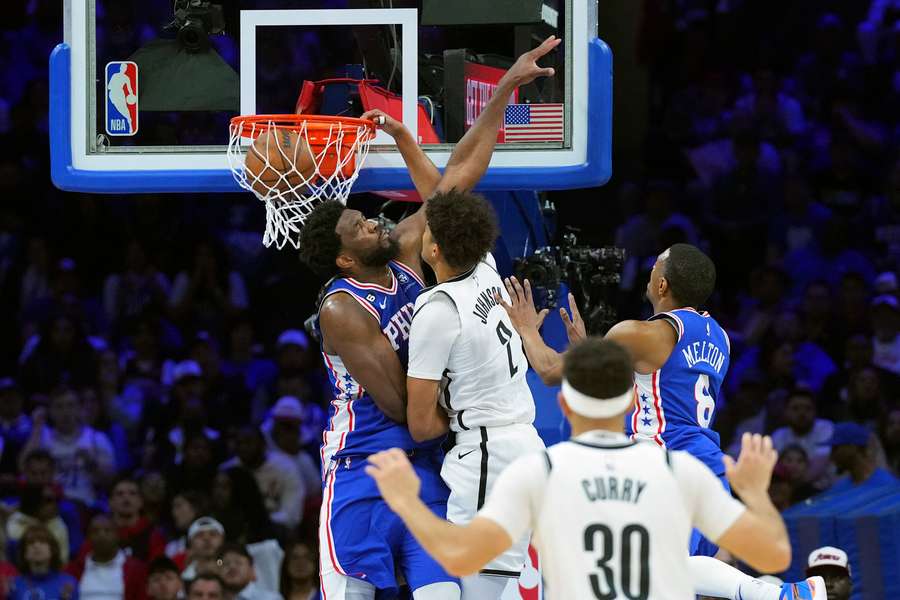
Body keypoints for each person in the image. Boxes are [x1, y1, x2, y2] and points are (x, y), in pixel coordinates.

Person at [296, 35, 560, 600]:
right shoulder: (341, 308)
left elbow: (460, 170)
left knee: (445, 591)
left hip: (427, 460)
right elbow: (400, 404)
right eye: (360, 226)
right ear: (345, 257)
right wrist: (473, 409)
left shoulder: (408, 248)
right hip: (363, 466)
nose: (374, 221)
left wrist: (507, 87)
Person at [365, 338, 812, 600]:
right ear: (634, 402)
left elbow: (460, 555)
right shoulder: (679, 472)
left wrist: (407, 502)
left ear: (562, 403)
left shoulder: (537, 472)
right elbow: (773, 556)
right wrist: (754, 493)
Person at [497, 245, 825, 599]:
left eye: (655, 266)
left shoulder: (637, 334)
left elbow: (548, 371)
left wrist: (527, 329)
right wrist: (592, 349)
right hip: (706, 467)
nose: (649, 271)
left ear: (663, 285)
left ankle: (780, 595)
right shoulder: (719, 336)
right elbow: (662, 386)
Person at [405, 192, 543, 599]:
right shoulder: (486, 266)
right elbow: (442, 196)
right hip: (524, 442)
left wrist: (454, 412)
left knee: (482, 589)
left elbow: (419, 425)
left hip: (488, 455)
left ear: (433, 249)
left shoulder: (438, 309)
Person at [19, 388, 116, 507]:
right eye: (59, 407)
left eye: (70, 405)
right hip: (48, 504)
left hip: (86, 505)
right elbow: (23, 467)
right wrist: (37, 427)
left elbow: (110, 481)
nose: (65, 412)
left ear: (79, 409)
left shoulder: (96, 438)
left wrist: (91, 464)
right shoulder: (41, 436)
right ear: (50, 411)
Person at [220, 427, 306, 529]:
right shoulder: (227, 470)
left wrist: (260, 522)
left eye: (248, 443)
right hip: (237, 528)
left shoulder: (285, 468)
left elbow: (291, 516)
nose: (243, 448)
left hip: (275, 527)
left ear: (263, 445)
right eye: (239, 443)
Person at [67, 514, 148, 600]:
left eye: (107, 530)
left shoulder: (136, 570)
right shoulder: (73, 570)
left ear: (117, 535)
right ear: (88, 537)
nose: (101, 535)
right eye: (95, 531)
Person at [8, 525, 79, 600]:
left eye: (42, 541)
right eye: (31, 543)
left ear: (52, 550)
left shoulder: (68, 583)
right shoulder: (14, 585)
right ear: (24, 553)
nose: (36, 545)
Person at [826, 422, 898, 493]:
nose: (831, 455)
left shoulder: (887, 485)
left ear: (852, 447)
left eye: (835, 448)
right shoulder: (839, 488)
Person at [179, 518, 226, 584]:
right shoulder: (183, 579)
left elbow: (220, 562)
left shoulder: (233, 571)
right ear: (190, 543)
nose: (207, 538)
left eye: (213, 534)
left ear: (222, 540)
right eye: (200, 535)